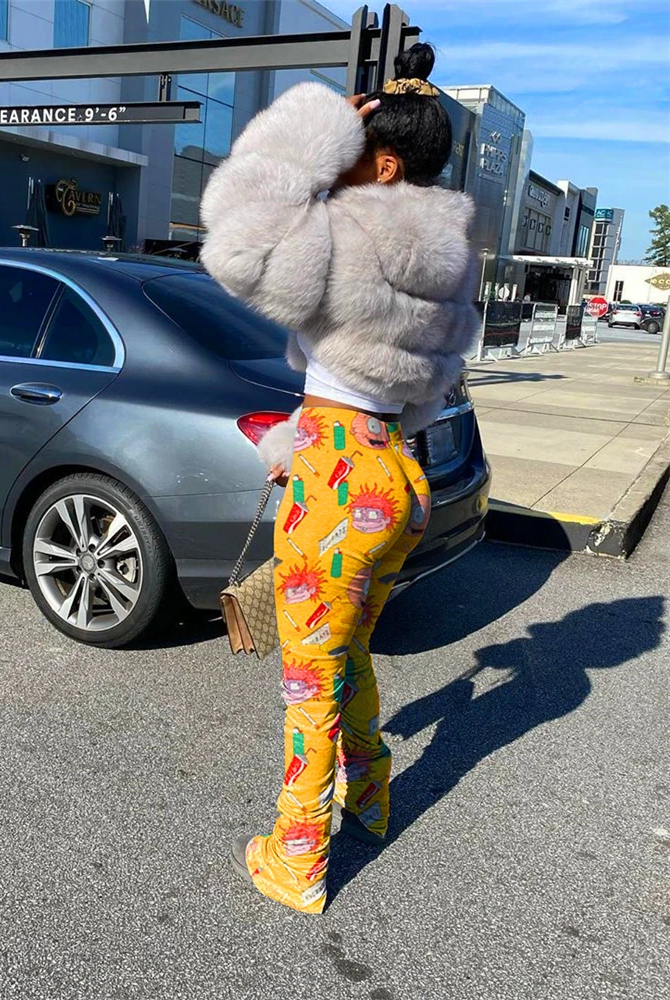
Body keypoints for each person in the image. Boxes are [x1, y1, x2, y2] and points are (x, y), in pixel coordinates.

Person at [200, 43, 480, 914]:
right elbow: (430, 382)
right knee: (348, 651)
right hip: (398, 469)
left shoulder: (342, 232)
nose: (339, 167)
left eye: (354, 152)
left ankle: (296, 859)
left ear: (384, 163)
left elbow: (232, 240)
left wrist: (311, 131)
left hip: (335, 475)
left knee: (308, 683)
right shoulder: (452, 255)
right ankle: (371, 794)